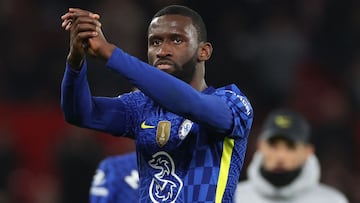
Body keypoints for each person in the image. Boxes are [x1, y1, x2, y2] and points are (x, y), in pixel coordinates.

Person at [60, 5, 253, 203]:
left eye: (177, 40)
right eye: (155, 42)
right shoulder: (141, 106)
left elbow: (189, 104)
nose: (162, 51)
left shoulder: (233, 103)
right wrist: (75, 61)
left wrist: (110, 53)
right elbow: (80, 113)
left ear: (203, 51)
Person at [234, 109, 348, 203]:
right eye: (273, 145)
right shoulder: (232, 198)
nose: (280, 156)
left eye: (291, 147)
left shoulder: (333, 201)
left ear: (308, 152)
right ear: (259, 146)